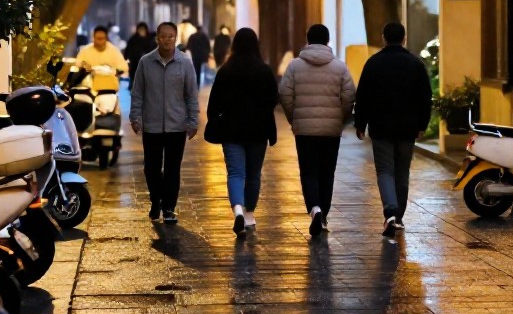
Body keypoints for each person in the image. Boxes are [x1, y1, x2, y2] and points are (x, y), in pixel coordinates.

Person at [354, 22, 433, 236]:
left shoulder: (374, 63)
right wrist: (422, 124)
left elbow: (363, 96)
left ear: (383, 38)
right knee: (402, 171)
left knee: (385, 170)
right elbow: (425, 97)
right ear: (404, 38)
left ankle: (390, 211)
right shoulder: (415, 64)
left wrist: (360, 123)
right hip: (408, 127)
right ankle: (398, 215)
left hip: (381, 126)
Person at [278, 24, 355, 237]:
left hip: (304, 129)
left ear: (307, 39)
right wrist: (340, 118)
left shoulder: (294, 66)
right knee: (327, 172)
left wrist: (295, 118)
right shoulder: (340, 68)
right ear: (328, 40)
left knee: (309, 171)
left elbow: (285, 95)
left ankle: (315, 208)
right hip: (331, 129)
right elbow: (349, 96)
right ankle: (324, 215)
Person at [205, 28, 277, 236]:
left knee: (235, 173)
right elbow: (273, 100)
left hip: (231, 130)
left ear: (234, 45)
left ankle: (237, 209)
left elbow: (214, 104)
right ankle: (249, 214)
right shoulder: (264, 71)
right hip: (258, 131)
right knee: (253, 174)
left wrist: (216, 119)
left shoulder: (226, 71)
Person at [130, 22, 199, 224]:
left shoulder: (185, 63)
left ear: (175, 38)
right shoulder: (145, 62)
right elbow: (138, 93)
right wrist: (136, 117)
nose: (167, 40)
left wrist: (193, 120)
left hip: (176, 125)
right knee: (150, 168)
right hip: (151, 125)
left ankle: (169, 207)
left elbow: (191, 95)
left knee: (172, 169)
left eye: (171, 36)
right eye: (163, 36)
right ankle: (155, 200)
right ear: (157, 38)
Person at [75, 25, 129, 94]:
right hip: (89, 90)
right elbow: (77, 63)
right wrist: (84, 66)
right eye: (98, 38)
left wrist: (115, 71)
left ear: (106, 38)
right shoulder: (86, 51)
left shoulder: (113, 51)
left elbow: (124, 67)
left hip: (109, 90)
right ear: (93, 38)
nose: (100, 41)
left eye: (102, 38)